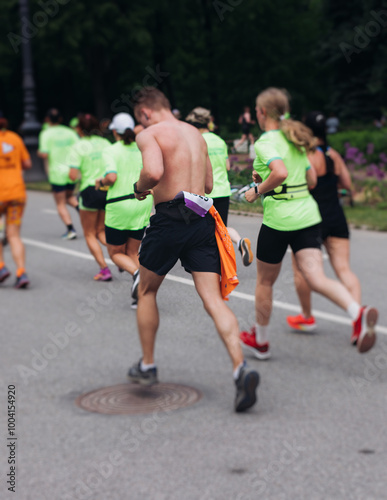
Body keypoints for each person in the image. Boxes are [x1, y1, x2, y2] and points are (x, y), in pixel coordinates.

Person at [126, 87, 259, 412]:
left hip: (169, 219)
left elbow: (154, 172)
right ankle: (240, 368)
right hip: (201, 221)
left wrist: (140, 188)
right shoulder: (197, 136)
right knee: (213, 299)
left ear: (144, 112)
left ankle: (147, 365)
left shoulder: (150, 134)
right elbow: (210, 186)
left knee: (146, 291)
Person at [240, 88, 378, 360]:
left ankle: (262, 341)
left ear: (262, 112)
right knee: (316, 277)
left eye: (256, 112)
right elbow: (312, 179)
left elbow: (279, 172)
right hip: (307, 216)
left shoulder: (266, 142)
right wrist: (266, 177)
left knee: (265, 281)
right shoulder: (294, 139)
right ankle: (357, 313)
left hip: (279, 219)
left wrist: (257, 189)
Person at [286, 112, 363, 344]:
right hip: (337, 218)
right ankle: (358, 320)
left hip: (312, 220)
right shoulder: (332, 155)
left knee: (301, 271)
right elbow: (347, 185)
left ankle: (308, 316)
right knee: (344, 269)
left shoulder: (304, 155)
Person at [95, 112, 153, 308]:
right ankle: (142, 295)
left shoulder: (111, 150)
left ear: (114, 131)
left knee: (115, 253)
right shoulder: (142, 149)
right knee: (132, 252)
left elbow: (111, 177)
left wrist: (100, 182)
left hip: (119, 205)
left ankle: (137, 275)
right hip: (142, 202)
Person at [185, 107, 253, 266]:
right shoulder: (220, 141)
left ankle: (209, 264)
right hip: (223, 190)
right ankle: (239, 240)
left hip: (204, 191)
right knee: (222, 226)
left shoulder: (195, 141)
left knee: (201, 229)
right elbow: (227, 166)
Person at [68, 114, 112, 281]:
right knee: (101, 230)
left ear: (79, 128)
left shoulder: (78, 146)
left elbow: (72, 175)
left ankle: (104, 269)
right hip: (106, 187)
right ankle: (121, 256)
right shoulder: (105, 143)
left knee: (89, 233)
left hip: (89, 189)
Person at [38, 108, 79, 240]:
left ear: (48, 119)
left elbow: (44, 153)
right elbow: (79, 148)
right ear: (61, 119)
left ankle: (70, 229)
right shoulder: (70, 132)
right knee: (70, 198)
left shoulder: (46, 133)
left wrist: (40, 153)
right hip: (71, 170)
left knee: (60, 203)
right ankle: (84, 212)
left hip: (57, 172)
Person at [0, 116, 31, 288]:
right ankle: (21, 272)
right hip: (17, 193)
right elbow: (27, 163)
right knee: (13, 235)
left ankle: (1, 267)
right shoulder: (15, 138)